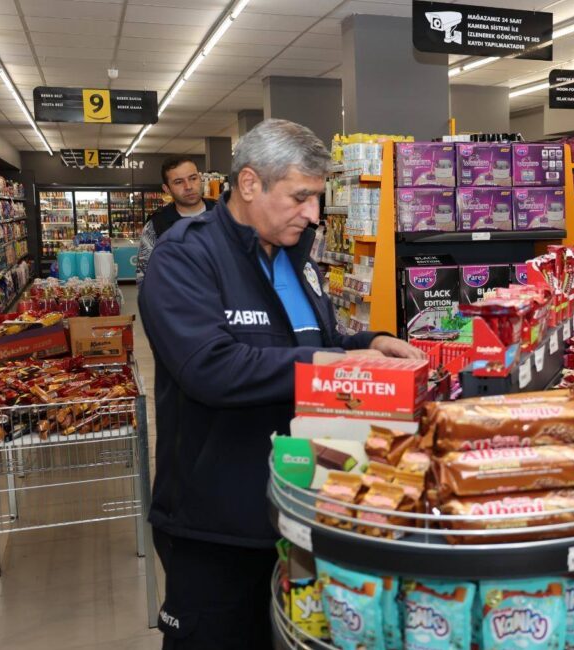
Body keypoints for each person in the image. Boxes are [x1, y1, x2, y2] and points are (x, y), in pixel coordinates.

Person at [138, 119, 425, 649]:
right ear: (249, 184)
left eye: (318, 198)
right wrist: (333, 362)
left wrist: (370, 343)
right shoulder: (184, 257)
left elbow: (315, 339)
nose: (313, 214)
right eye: (300, 197)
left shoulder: (296, 257)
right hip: (217, 525)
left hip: (299, 505)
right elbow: (210, 368)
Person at [135, 155, 216, 289]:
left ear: (200, 178)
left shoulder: (227, 215)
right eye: (178, 182)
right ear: (167, 189)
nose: (188, 186)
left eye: (193, 178)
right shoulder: (156, 226)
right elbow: (144, 277)